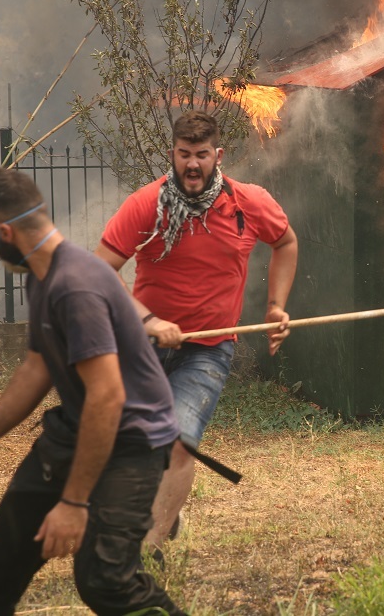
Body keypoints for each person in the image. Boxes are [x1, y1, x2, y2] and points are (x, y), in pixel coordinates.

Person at [0, 167, 187, 616]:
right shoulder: (42, 274)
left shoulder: (76, 286)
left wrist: (72, 503)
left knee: (105, 580)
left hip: (132, 443)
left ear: (6, 232)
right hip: (74, 432)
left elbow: (107, 398)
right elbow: (37, 368)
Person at [95, 109, 298, 548]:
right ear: (173, 154)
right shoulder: (146, 204)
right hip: (141, 345)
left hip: (207, 350)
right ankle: (156, 516)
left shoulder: (247, 203)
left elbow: (285, 241)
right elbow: (101, 270)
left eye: (201, 155)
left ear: (217, 155)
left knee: (180, 443)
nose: (192, 164)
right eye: (184, 154)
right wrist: (148, 320)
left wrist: (276, 306)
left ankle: (147, 548)